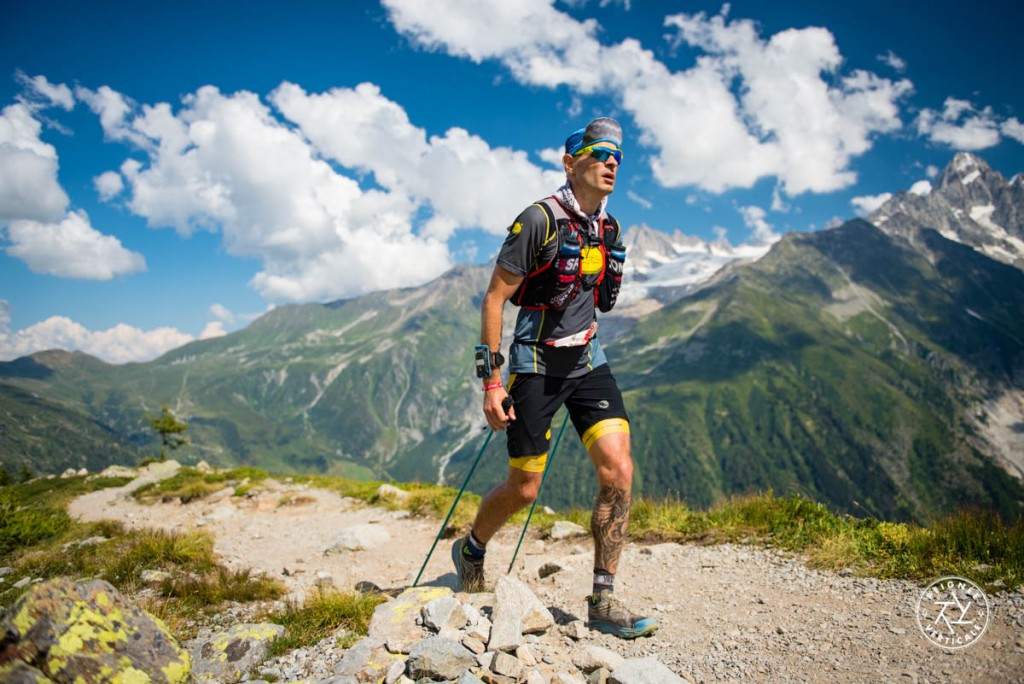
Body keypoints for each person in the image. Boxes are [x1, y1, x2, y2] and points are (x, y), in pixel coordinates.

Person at [452, 118, 657, 640]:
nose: (613, 163)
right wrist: (491, 382)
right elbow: (495, 298)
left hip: (588, 360)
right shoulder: (538, 220)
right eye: (600, 154)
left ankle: (603, 598)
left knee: (618, 468)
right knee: (524, 489)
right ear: (571, 163)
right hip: (536, 365)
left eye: (618, 157)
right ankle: (472, 547)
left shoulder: (608, 229)